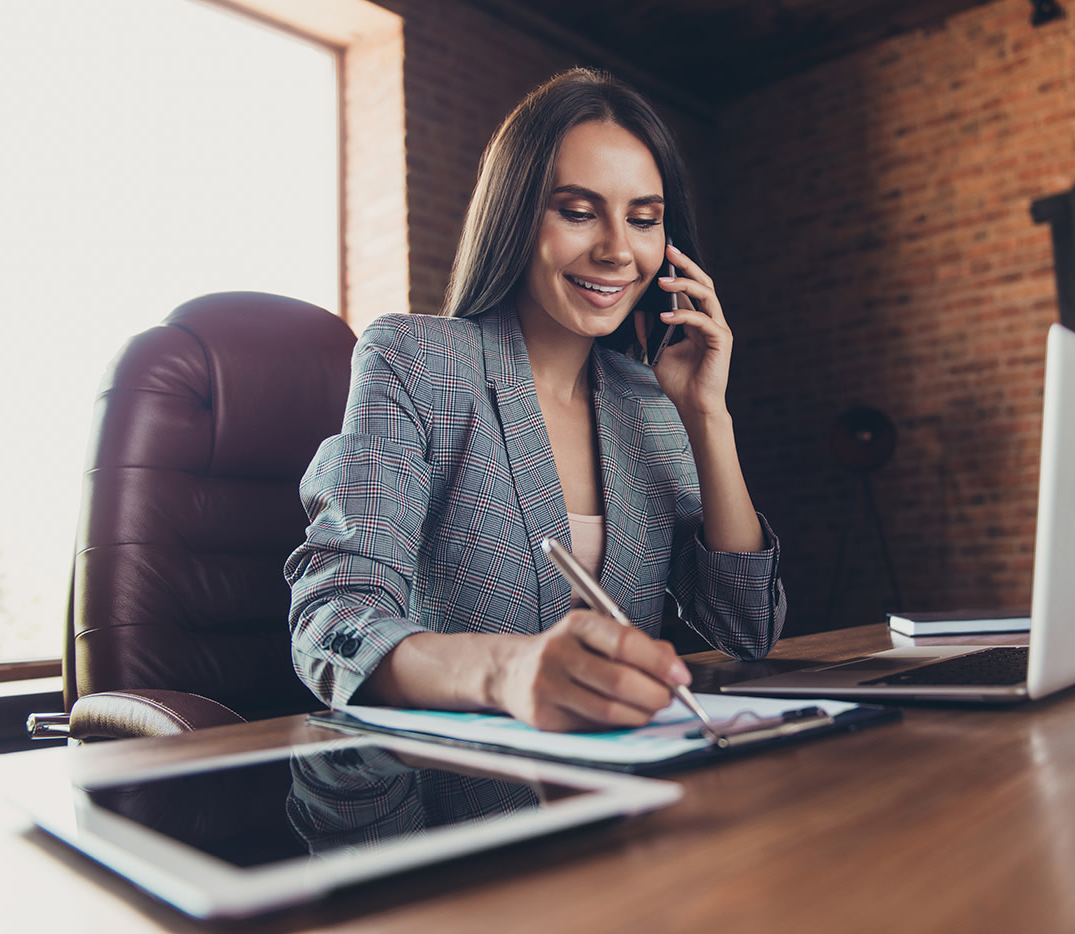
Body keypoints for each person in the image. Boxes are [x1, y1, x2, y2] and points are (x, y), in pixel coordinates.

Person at [286, 67, 786, 732]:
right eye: (578, 212)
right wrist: (507, 672)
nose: (615, 250)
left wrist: (706, 416)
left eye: (643, 219)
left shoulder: (650, 403)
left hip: (630, 796)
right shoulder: (414, 362)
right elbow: (333, 626)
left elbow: (746, 628)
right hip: (454, 798)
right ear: (515, 214)